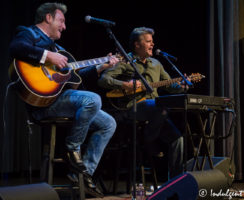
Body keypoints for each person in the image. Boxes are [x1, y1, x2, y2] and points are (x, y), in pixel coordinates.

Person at [8, 2, 117, 198]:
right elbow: (16, 47)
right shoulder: (28, 33)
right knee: (93, 99)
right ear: (48, 18)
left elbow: (75, 74)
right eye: (61, 21)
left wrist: (101, 67)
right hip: (43, 105)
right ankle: (72, 149)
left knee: (109, 123)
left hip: (60, 100)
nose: (64, 26)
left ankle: (83, 176)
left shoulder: (58, 49)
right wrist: (47, 56)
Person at [98, 27, 189, 179]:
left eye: (152, 42)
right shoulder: (125, 61)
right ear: (137, 45)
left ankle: (175, 181)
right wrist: (124, 85)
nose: (152, 44)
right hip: (133, 107)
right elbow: (103, 80)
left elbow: (169, 86)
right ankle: (149, 141)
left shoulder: (156, 63)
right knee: (161, 106)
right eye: (148, 41)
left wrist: (182, 86)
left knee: (177, 139)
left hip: (156, 111)